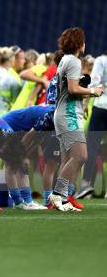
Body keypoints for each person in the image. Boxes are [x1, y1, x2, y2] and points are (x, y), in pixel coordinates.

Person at [48, 28, 103, 211]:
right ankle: (57, 194)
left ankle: (63, 200)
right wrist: (92, 91)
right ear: (80, 43)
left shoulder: (64, 60)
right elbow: (72, 89)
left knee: (67, 159)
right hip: (68, 115)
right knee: (81, 155)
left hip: (64, 113)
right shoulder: (74, 61)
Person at [77, 51, 106, 198]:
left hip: (101, 106)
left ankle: (86, 184)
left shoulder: (101, 60)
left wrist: (87, 102)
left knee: (92, 146)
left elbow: (94, 83)